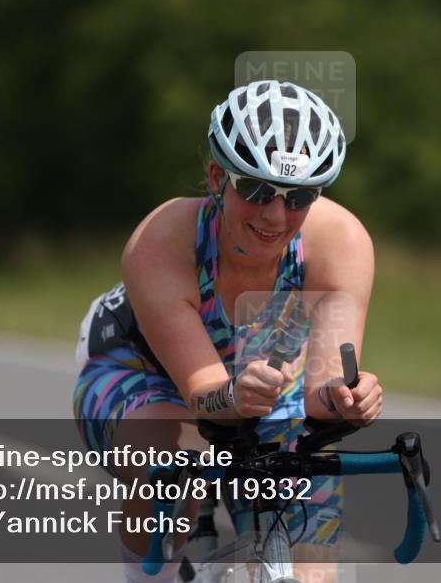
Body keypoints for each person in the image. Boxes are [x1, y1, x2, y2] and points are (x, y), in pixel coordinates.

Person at [73, 80, 382, 583]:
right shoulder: (163, 238)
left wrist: (347, 397)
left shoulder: (340, 241)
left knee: (309, 570)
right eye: (256, 189)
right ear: (218, 176)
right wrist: (235, 394)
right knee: (174, 469)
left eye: (299, 196)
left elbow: (320, 393)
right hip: (144, 372)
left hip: (264, 386)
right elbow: (205, 396)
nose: (276, 215)